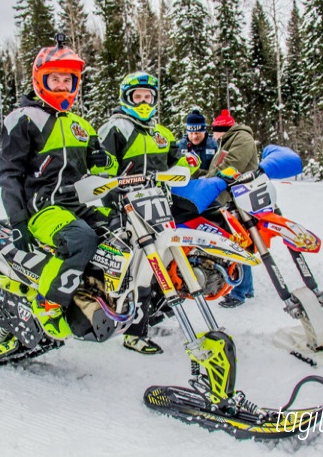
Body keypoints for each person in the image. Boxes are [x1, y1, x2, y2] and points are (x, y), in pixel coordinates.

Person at [0, 38, 114, 341]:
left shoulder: (80, 125)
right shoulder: (23, 118)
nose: (62, 86)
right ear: (40, 79)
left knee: (116, 231)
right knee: (81, 238)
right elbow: (8, 174)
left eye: (67, 80)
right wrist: (18, 221)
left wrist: (104, 160)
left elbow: (104, 170)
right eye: (55, 79)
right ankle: (47, 302)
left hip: (76, 204)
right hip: (42, 207)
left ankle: (94, 296)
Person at [98, 71, 200, 354]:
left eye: (148, 97)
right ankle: (133, 330)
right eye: (137, 97)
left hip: (158, 206)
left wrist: (187, 162)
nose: (143, 102)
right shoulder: (115, 128)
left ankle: (150, 315)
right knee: (140, 270)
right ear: (126, 98)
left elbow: (177, 160)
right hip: (126, 209)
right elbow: (102, 168)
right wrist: (112, 197)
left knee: (161, 264)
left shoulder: (160, 132)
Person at [205, 109, 260, 308]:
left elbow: (230, 167)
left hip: (242, 202)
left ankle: (240, 292)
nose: (213, 135)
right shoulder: (228, 141)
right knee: (240, 244)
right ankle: (246, 288)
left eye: (215, 131)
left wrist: (209, 191)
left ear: (222, 129)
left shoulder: (241, 138)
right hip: (233, 200)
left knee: (238, 246)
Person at [176, 109, 218, 177]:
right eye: (191, 133)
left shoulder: (213, 145)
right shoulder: (180, 146)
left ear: (204, 131)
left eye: (197, 133)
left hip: (207, 182)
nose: (194, 136)